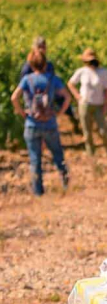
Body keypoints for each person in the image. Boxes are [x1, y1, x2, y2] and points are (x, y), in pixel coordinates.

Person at [11, 49, 70, 196]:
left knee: (35, 158)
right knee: (57, 154)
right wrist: (59, 113)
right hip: (50, 123)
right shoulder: (53, 79)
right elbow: (67, 97)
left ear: (31, 64)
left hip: (32, 123)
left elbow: (14, 98)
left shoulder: (27, 79)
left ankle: (38, 192)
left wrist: (23, 113)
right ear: (45, 63)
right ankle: (66, 184)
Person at [19, 35, 79, 133]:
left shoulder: (49, 65)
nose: (42, 50)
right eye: (39, 47)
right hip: (33, 101)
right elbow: (23, 87)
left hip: (48, 99)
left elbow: (52, 81)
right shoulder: (27, 67)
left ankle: (73, 117)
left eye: (44, 47)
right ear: (34, 48)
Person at [68, 48, 107, 158]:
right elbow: (70, 83)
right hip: (85, 104)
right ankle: (91, 155)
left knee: (102, 131)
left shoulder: (103, 72)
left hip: (98, 104)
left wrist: (106, 105)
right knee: (87, 133)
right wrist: (78, 96)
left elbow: (106, 90)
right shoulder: (82, 71)